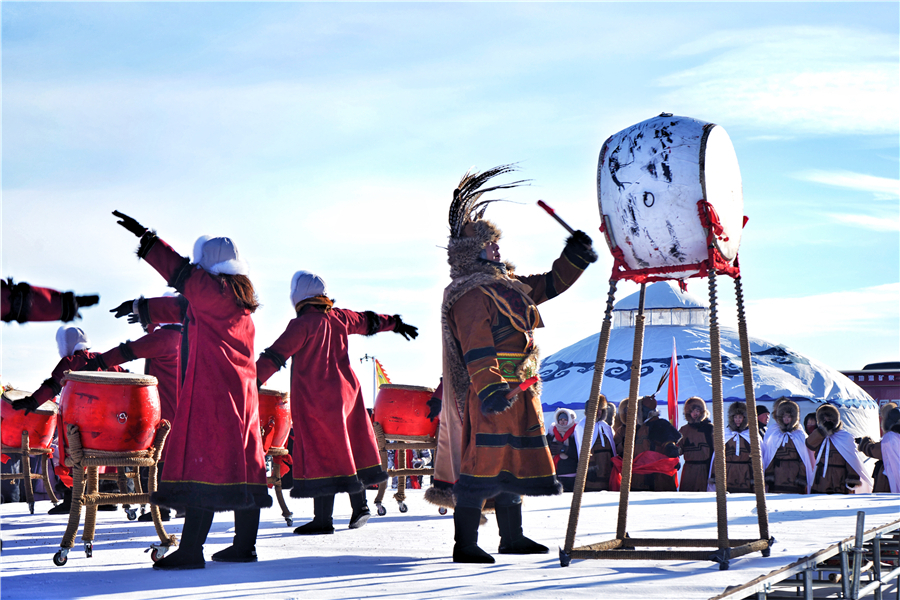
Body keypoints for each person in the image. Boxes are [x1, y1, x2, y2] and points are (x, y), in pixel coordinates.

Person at [438, 164, 597, 563]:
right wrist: (491, 390)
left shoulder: (507, 286)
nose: (497, 249)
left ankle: (512, 537)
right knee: (483, 462)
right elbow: (477, 347)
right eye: (489, 245)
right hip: (492, 392)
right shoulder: (469, 294)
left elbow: (549, 284)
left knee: (512, 460)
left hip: (521, 390)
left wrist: (574, 254)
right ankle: (465, 544)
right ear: (472, 252)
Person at [112, 211, 270, 570]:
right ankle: (244, 546)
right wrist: (143, 308)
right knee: (242, 466)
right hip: (241, 395)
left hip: (214, 394)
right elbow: (183, 306)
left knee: (205, 465)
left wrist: (148, 240)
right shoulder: (235, 298)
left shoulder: (212, 290)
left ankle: (191, 551)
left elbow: (181, 276)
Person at [256, 270, 417, 535]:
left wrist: (250, 382)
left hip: (318, 399)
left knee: (323, 454)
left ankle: (329, 518)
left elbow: (275, 356)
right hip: (349, 394)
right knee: (349, 450)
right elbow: (369, 321)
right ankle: (353, 509)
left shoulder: (303, 324)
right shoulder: (338, 317)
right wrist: (396, 324)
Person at [9, 326, 127, 513]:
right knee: (104, 447)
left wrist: (32, 402)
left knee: (61, 449)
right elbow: (128, 379)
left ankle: (73, 497)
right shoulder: (106, 360)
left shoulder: (69, 362)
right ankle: (107, 495)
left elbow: (52, 386)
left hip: (79, 429)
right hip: (110, 431)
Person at [97, 298, 186, 521]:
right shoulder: (185, 338)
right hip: (184, 406)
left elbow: (133, 349)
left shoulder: (165, 338)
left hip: (165, 407)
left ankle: (162, 509)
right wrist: (148, 317)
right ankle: (184, 505)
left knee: (161, 457)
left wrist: (99, 361)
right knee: (179, 456)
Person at [613, 396, 681, 491]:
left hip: (658, 479)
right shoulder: (633, 428)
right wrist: (624, 445)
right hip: (637, 478)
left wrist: (673, 452)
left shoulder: (661, 425)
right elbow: (619, 449)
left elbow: (670, 444)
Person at [805, 404, 872, 494]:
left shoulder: (845, 437)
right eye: (824, 420)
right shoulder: (820, 436)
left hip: (839, 478)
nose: (827, 422)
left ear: (835, 420)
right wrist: (822, 431)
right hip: (821, 479)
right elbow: (809, 444)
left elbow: (852, 459)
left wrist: (852, 477)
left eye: (830, 419)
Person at [762, 399, 815, 494]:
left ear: (794, 418)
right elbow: (769, 457)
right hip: (778, 474)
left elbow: (804, 458)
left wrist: (802, 476)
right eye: (784, 416)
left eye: (789, 417)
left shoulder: (800, 435)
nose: (786, 419)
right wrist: (769, 474)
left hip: (795, 474)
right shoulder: (774, 434)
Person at [713, 401, 764, 493]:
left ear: (745, 418)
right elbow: (717, 455)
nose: (737, 420)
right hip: (728, 471)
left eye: (740, 417)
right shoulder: (726, 433)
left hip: (745, 473)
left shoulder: (752, 434)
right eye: (735, 417)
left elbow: (759, 456)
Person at [2, 278, 99, 323]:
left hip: (16, 303)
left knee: (45, 304)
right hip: (16, 302)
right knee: (45, 304)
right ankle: (75, 304)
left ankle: (75, 304)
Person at [573, 394, 616, 492]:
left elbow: (612, 445)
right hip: (594, 464)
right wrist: (589, 466)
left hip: (607, 464)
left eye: (601, 410)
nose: (598, 412)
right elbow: (581, 448)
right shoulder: (582, 426)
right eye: (596, 409)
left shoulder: (606, 426)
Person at [856, 407, 900, 493]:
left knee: (886, 503)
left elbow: (877, 450)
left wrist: (864, 443)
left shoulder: (891, 437)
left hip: (888, 477)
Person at [677, 397, 713, 492]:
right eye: (692, 411)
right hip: (688, 470)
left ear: (702, 411)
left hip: (704, 469)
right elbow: (679, 448)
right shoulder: (684, 430)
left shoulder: (710, 429)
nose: (695, 414)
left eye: (697, 410)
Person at [547, 408, 579, 492]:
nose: (562, 422)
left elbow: (581, 454)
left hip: (571, 476)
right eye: (560, 419)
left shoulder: (576, 433)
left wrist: (564, 449)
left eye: (565, 419)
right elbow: (544, 452)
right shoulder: (551, 434)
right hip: (554, 475)